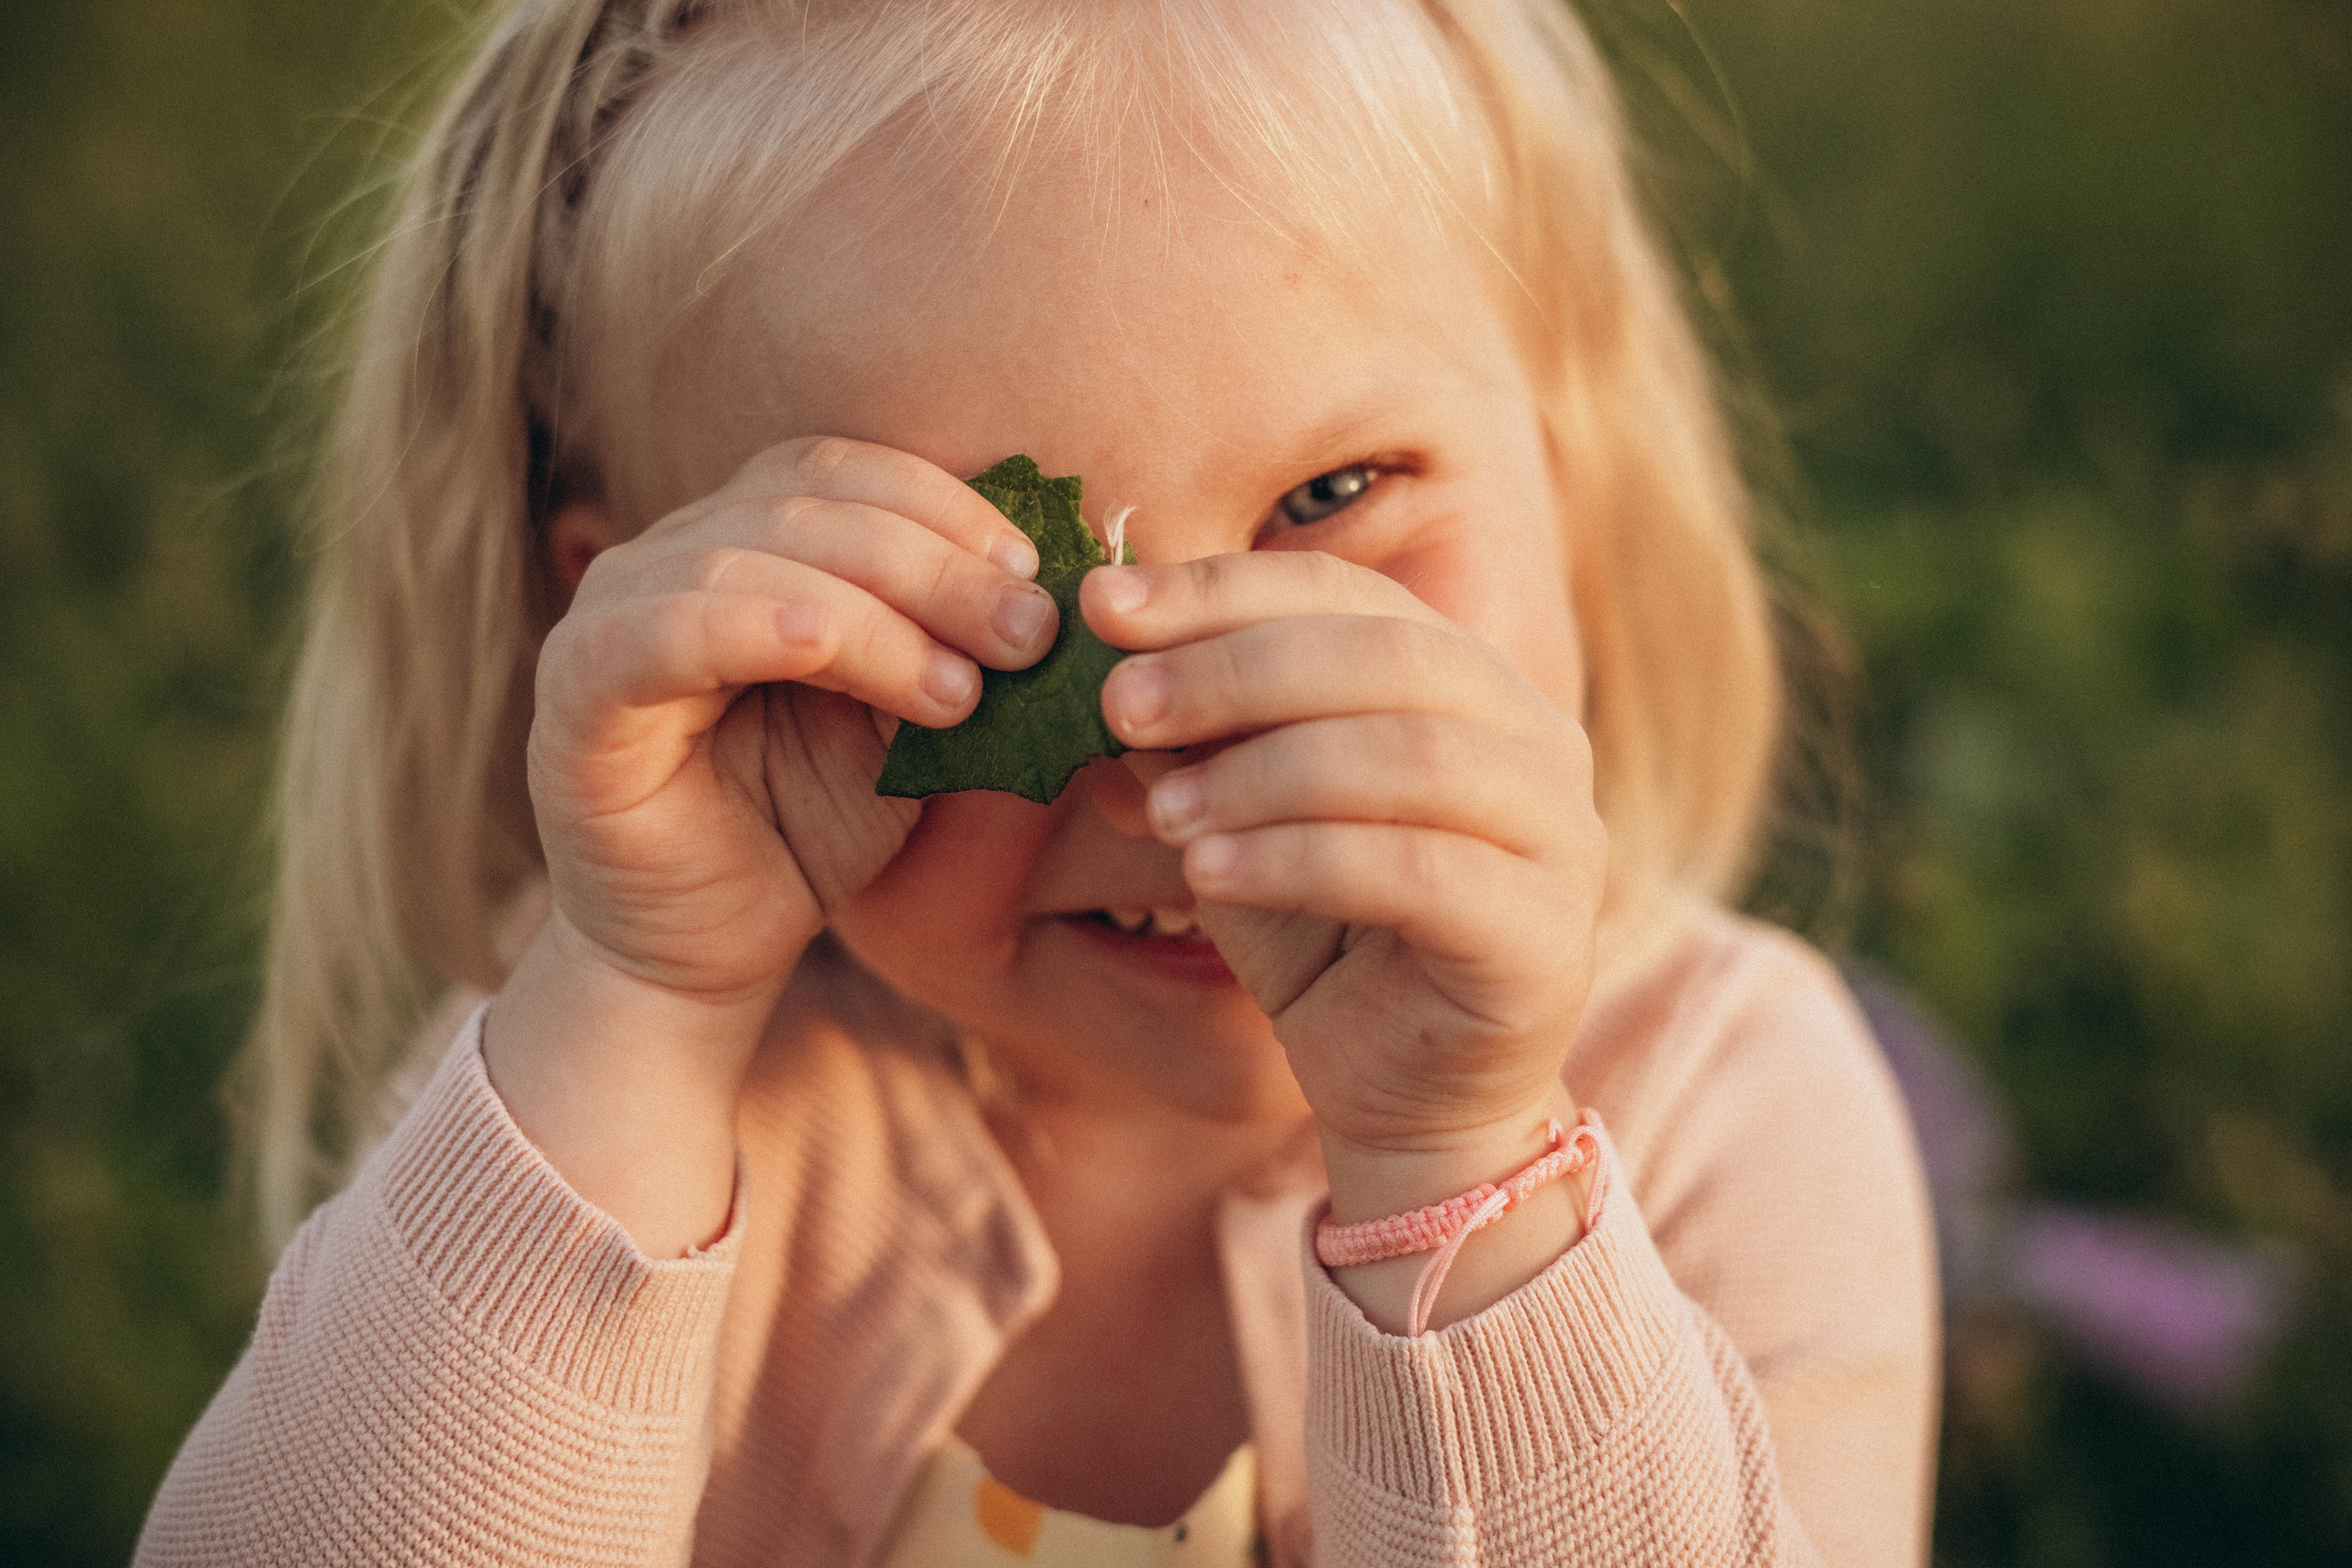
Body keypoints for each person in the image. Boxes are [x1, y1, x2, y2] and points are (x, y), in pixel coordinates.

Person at [138, 1, 1938, 1563]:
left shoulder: (1729, 1110)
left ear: (1571, 475)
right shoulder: (601, 1100)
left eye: (1330, 499)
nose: (1164, 754)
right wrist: (639, 1006)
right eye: (970, 614)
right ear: (655, 646)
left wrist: (1457, 1165)